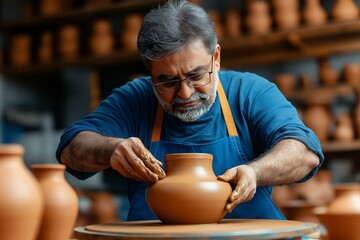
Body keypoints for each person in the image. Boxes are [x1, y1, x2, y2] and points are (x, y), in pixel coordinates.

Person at [56, 0, 324, 221]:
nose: (185, 93)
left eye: (196, 76)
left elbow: (304, 152)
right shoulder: (135, 98)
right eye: (168, 81)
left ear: (216, 58)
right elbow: (71, 150)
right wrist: (110, 149)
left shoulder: (251, 92)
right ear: (151, 74)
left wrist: (255, 172)